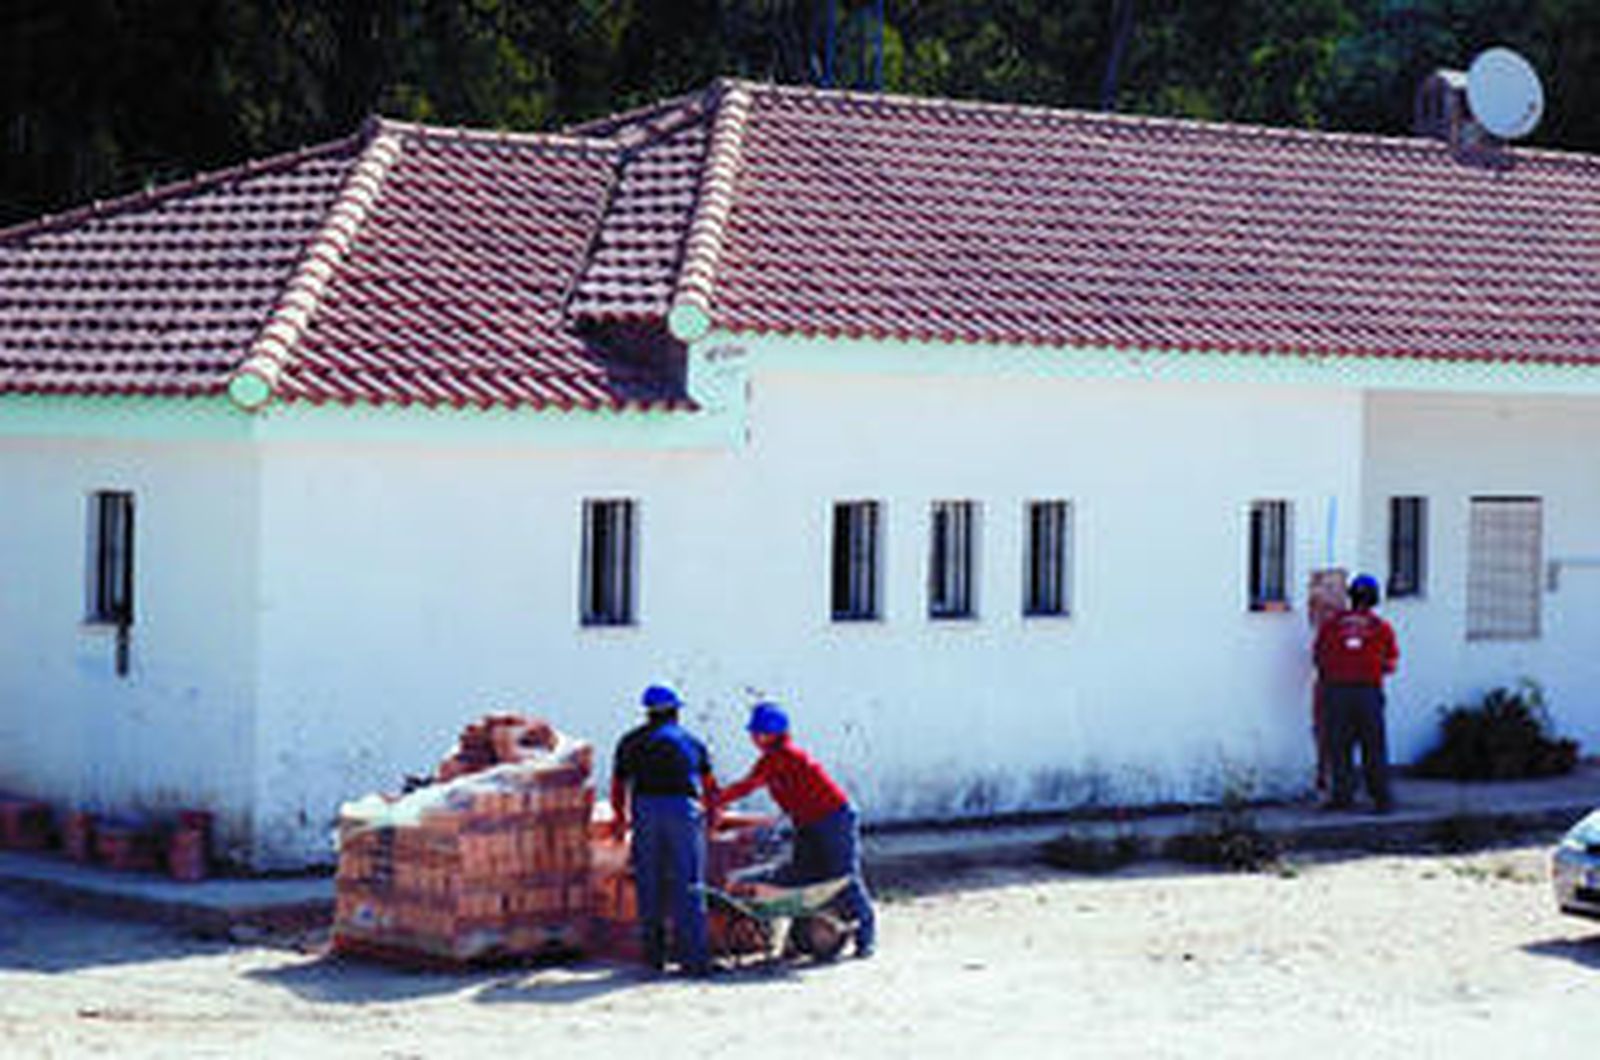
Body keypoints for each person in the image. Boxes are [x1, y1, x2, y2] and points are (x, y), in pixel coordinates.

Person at [714, 702, 876, 958]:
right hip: (806, 822)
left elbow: (747, 786)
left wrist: (713, 801)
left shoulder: (785, 756)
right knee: (803, 876)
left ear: (773, 733)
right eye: (753, 733)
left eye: (758, 733)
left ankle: (866, 936)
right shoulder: (771, 759)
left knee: (843, 877)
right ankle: (801, 936)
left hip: (833, 819)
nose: (754, 738)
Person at [610, 684, 717, 976]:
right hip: (683, 811)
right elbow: (709, 786)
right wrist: (714, 818)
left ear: (647, 712)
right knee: (690, 883)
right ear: (675, 711)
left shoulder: (630, 741)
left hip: (645, 811)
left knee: (649, 882)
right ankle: (694, 960)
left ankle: (653, 959)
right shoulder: (690, 741)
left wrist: (621, 819)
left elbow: (619, 785)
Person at [1313, 574, 1400, 813]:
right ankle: (1381, 799)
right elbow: (1391, 663)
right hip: (1368, 692)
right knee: (1373, 746)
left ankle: (1342, 796)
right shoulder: (1382, 628)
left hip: (1336, 692)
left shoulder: (1331, 625)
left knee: (1339, 746)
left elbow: (1318, 657)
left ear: (1351, 596)